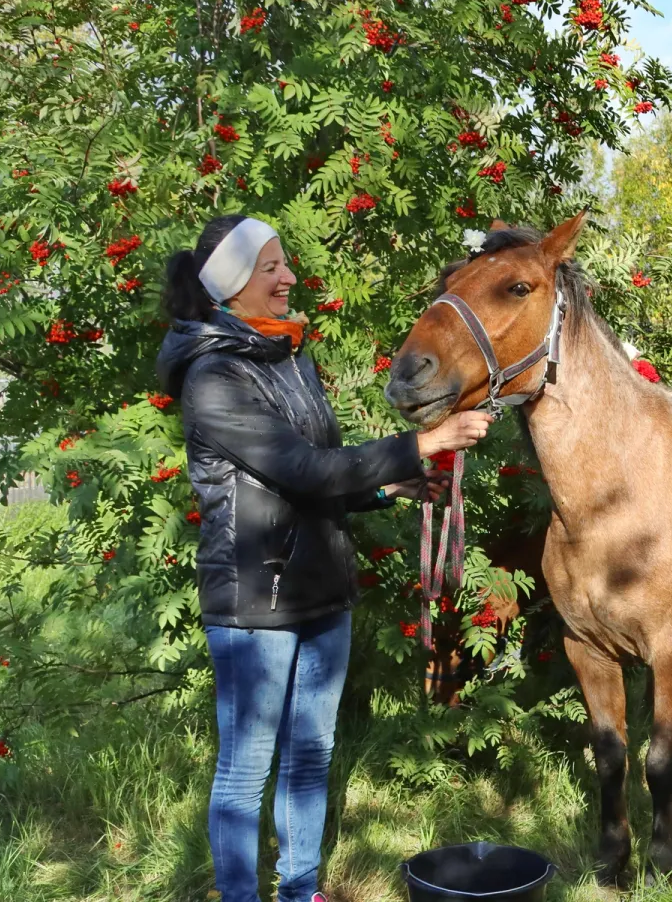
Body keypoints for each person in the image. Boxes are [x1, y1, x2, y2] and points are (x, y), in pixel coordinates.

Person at [155, 215, 492, 902]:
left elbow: (321, 475)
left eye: (285, 264)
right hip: (255, 599)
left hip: (322, 586)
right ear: (234, 283)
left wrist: (387, 484)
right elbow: (299, 467)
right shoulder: (213, 375)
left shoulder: (290, 357)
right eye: (273, 267)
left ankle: (301, 888)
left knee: (311, 754)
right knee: (248, 768)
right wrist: (422, 445)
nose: (289, 278)